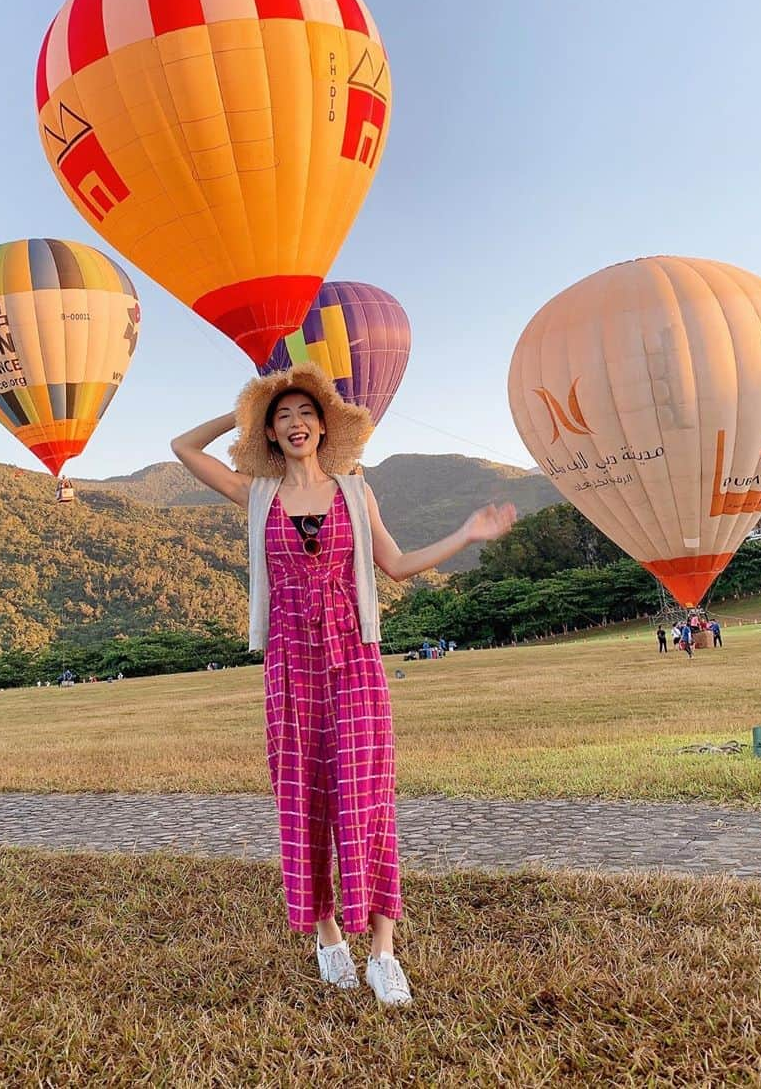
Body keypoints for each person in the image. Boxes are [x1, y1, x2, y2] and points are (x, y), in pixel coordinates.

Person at [171, 362, 515, 1006]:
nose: (295, 423)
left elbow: (397, 565)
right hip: (290, 665)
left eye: (305, 413)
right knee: (302, 794)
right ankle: (328, 934)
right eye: (282, 417)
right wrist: (244, 409)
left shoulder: (356, 490)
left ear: (324, 426)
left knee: (369, 795)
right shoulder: (258, 494)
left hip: (355, 657)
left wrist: (467, 533)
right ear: (270, 435)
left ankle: (383, 951)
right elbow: (183, 448)